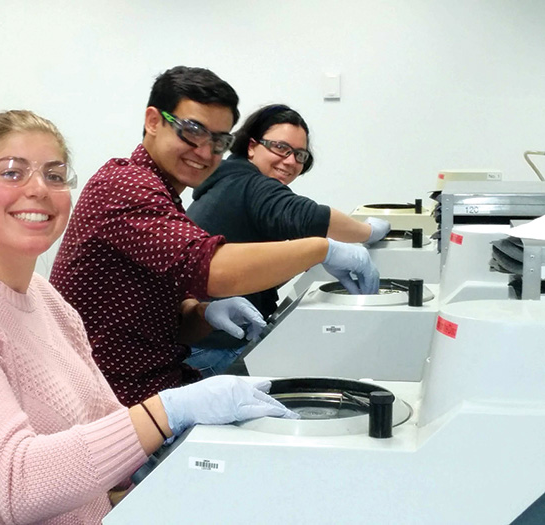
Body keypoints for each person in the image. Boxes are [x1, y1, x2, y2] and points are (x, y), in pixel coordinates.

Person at [0, 110, 297, 525]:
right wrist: (167, 410)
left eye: (54, 175)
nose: (38, 188)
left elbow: (103, 436)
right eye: (13, 172)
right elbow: (17, 485)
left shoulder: (42, 296)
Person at [50, 66, 380, 406]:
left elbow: (157, 316)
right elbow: (212, 269)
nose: (206, 152)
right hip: (116, 403)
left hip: (161, 385)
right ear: (152, 121)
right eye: (192, 131)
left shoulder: (165, 195)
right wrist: (323, 249)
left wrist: (203, 315)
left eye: (219, 141)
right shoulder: (125, 185)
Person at [188, 103, 391, 321]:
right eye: (280, 147)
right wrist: (369, 231)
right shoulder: (249, 184)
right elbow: (311, 217)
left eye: (299, 154)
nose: (290, 161)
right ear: (251, 146)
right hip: (211, 339)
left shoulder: (230, 179)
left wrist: (304, 258)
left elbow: (255, 272)